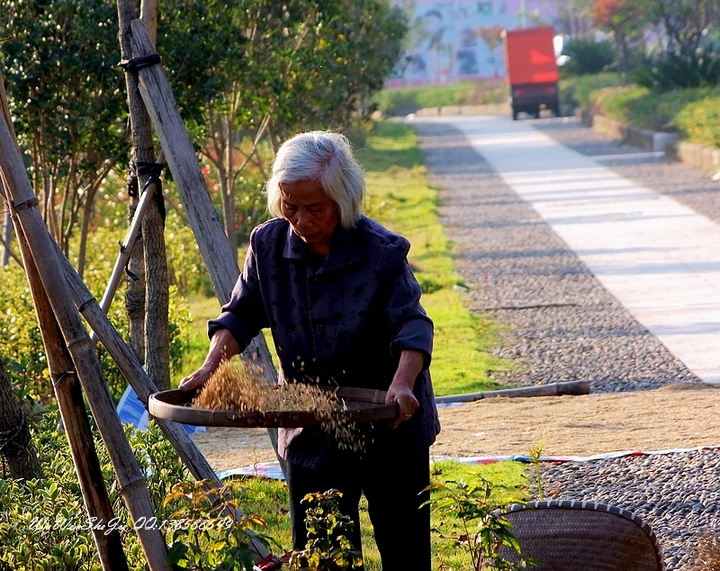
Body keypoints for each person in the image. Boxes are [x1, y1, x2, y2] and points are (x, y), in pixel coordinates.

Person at [180, 131, 440, 570]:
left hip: (390, 423)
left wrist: (402, 382)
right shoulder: (267, 246)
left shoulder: (382, 252)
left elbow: (412, 324)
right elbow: (240, 314)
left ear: (344, 200)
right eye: (290, 205)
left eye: (314, 207)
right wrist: (210, 367)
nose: (300, 219)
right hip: (311, 426)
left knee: (405, 551)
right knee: (324, 558)